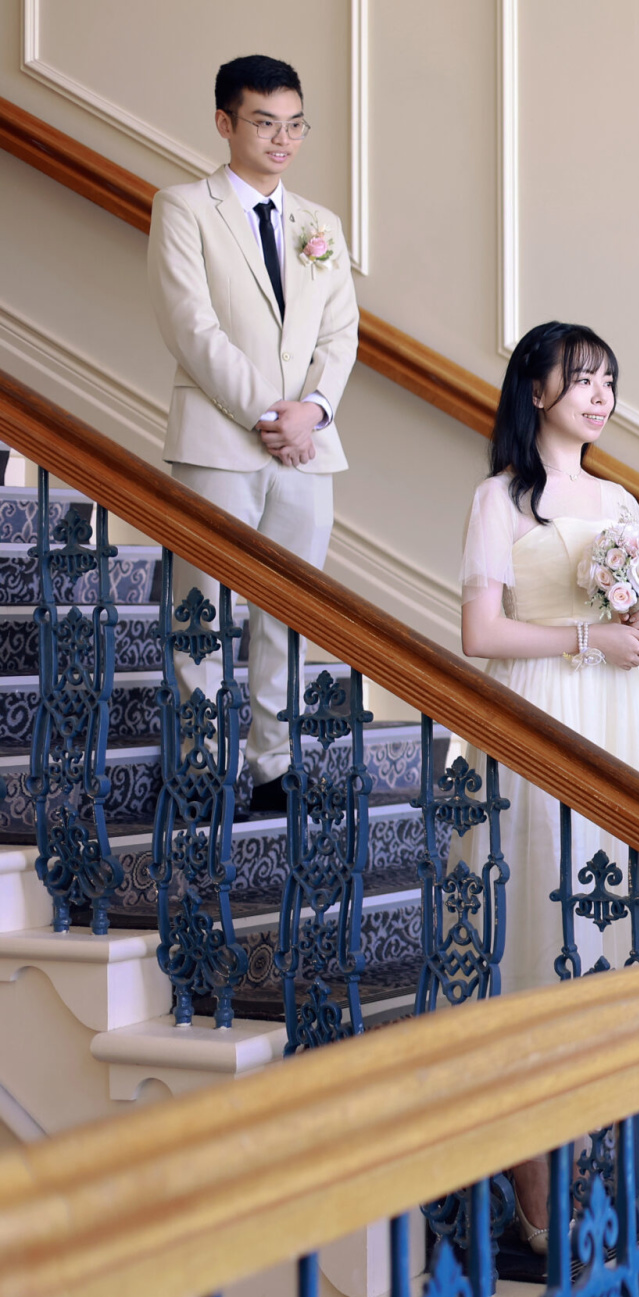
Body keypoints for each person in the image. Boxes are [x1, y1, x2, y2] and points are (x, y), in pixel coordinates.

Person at [454, 320, 639, 1248]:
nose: (599, 395)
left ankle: (589, 1149)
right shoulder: (500, 498)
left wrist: (638, 618)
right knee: (540, 923)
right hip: (540, 711)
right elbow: (481, 633)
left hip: (619, 722)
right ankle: (533, 1173)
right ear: (536, 389)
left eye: (609, 381)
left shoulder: (621, 499)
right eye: (581, 378)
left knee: (608, 920)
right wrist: (589, 639)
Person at [146, 55, 359, 811]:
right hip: (219, 439)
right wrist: (273, 416)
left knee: (289, 606)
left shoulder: (320, 225)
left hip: (309, 447)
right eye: (265, 122)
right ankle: (203, 766)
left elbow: (341, 336)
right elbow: (192, 328)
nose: (282, 139)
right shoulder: (182, 207)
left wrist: (315, 412)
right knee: (202, 607)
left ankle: (274, 763)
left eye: (295, 124)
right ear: (225, 122)